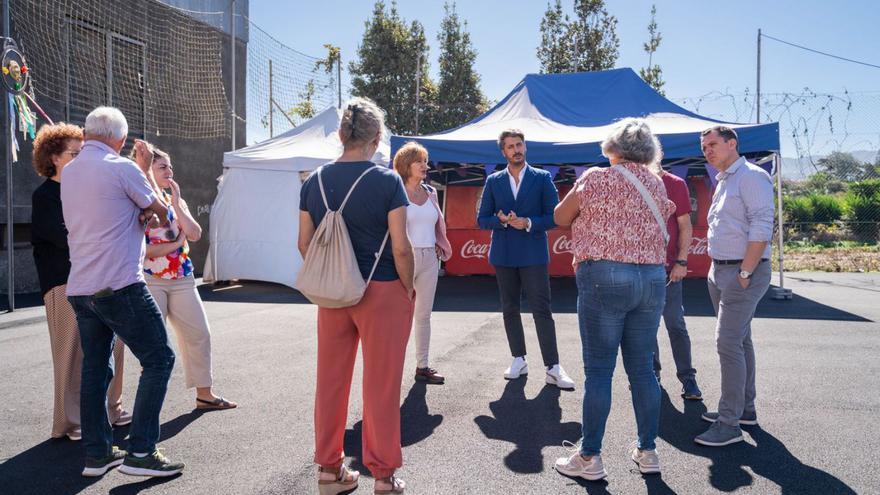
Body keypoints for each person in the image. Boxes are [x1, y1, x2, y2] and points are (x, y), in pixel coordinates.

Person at [299, 97, 414, 495]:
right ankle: (382, 476)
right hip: (381, 290)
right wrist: (407, 286)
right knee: (381, 384)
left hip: (333, 295)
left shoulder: (313, 180)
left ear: (341, 135)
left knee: (330, 380)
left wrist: (333, 276)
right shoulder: (387, 181)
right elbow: (401, 246)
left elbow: (304, 243)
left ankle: (330, 471)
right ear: (377, 136)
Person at [62, 106, 184, 478]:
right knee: (159, 358)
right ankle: (141, 452)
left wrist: (138, 209)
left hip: (81, 285)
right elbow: (162, 214)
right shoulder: (122, 167)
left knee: (96, 368)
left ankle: (97, 453)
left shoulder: (70, 172)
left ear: (87, 134)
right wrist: (145, 168)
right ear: (119, 139)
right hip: (119, 283)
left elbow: (115, 210)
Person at [553, 119, 674, 479]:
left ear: (612, 147)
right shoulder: (657, 183)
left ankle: (590, 457)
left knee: (599, 372)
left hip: (604, 275)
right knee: (643, 371)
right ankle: (648, 451)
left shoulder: (595, 177)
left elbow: (560, 216)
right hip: (651, 278)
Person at [30, 123, 131, 442]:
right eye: (75, 153)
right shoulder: (45, 196)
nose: (82, 158)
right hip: (64, 283)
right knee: (72, 352)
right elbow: (65, 237)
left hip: (100, 277)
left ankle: (110, 408)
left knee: (114, 344)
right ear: (54, 158)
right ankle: (72, 422)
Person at [132, 144, 237, 410]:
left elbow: (194, 233)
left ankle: (205, 394)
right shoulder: (136, 200)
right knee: (155, 344)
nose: (170, 171)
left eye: (170, 166)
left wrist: (177, 202)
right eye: (162, 166)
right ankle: (146, 407)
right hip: (151, 280)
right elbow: (142, 250)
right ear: (148, 170)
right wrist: (174, 244)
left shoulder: (174, 200)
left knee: (199, 333)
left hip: (182, 279)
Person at [476, 129, 574, 390]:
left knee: (542, 309)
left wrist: (529, 222)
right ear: (503, 152)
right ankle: (518, 359)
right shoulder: (494, 181)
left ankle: (553, 367)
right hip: (504, 255)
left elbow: (555, 216)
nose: (516, 150)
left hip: (533, 254)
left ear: (525, 147)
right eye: (510, 146)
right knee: (509, 309)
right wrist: (501, 221)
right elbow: (481, 219)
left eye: (519, 144)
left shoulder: (542, 178)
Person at [694, 126, 774, 447]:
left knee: (728, 343)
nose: (707, 151)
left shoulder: (751, 177)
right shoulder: (725, 180)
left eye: (712, 144)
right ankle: (745, 410)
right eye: (704, 148)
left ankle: (729, 423)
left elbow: (762, 225)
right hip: (722, 270)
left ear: (732, 144)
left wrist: (744, 272)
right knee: (741, 341)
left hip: (743, 272)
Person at [392, 141, 452, 385]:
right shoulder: (394, 191)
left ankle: (422, 367)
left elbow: (436, 223)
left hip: (429, 258)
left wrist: (439, 243)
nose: (425, 166)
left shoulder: (431, 192)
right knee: (397, 316)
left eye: (426, 161)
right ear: (407, 165)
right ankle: (391, 367)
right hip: (402, 257)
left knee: (424, 315)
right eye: (420, 161)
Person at [652, 169, 704, 400]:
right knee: (644, 328)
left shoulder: (674, 183)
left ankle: (688, 378)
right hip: (639, 269)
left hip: (668, 270)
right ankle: (651, 374)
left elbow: (685, 225)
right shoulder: (628, 179)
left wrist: (682, 261)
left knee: (675, 323)